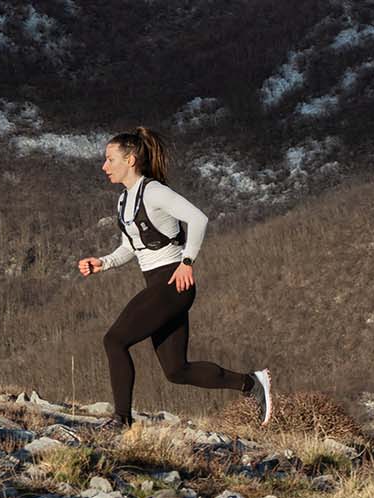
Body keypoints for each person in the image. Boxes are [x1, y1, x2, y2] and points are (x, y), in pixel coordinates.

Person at [74, 127, 273, 426]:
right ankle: (251, 383)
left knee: (115, 340)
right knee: (176, 370)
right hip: (158, 285)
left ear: (130, 160)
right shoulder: (123, 201)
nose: (104, 166)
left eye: (109, 159)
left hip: (173, 283)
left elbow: (198, 218)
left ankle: (121, 420)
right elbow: (132, 245)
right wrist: (103, 262)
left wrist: (187, 261)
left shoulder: (154, 191)